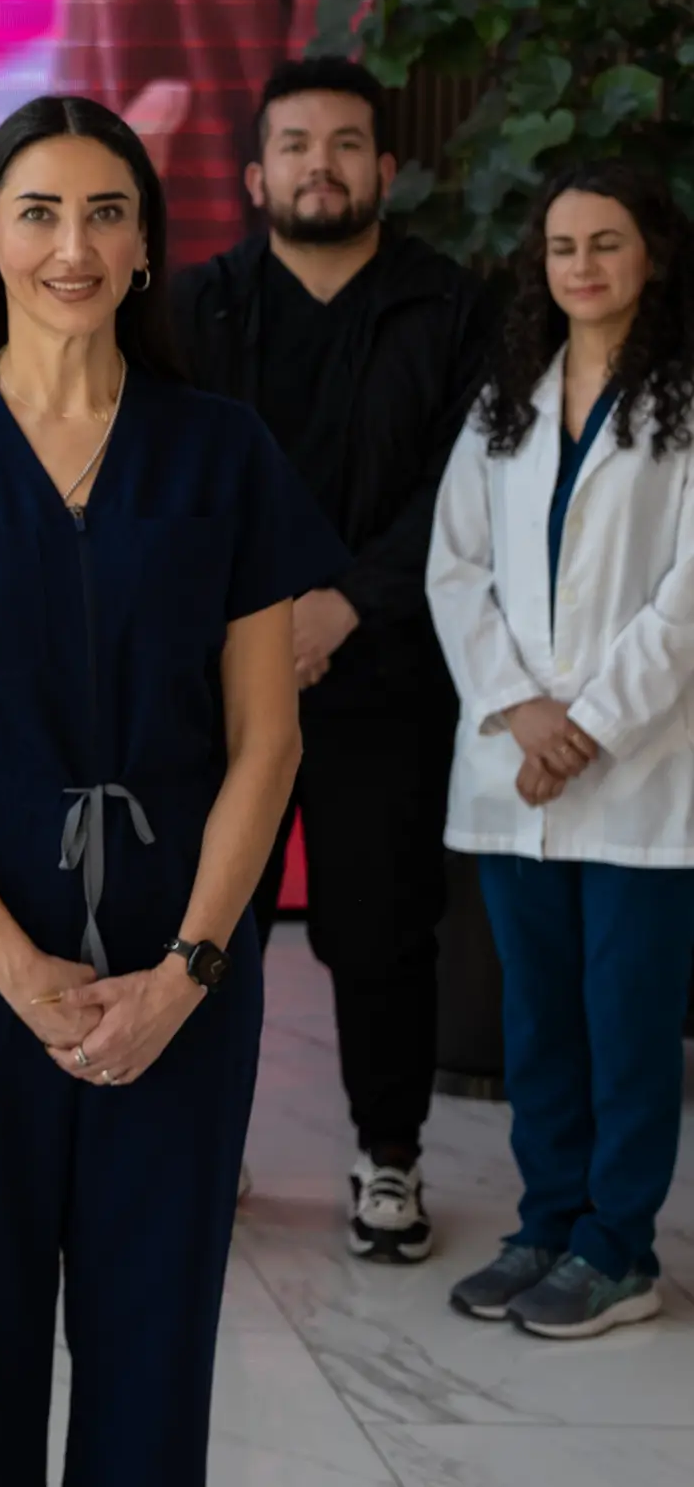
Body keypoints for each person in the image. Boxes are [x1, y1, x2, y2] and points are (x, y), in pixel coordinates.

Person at [0, 96, 342, 1483]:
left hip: (183, 965)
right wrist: (20, 971)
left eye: (106, 213)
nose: (71, 245)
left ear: (148, 248)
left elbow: (267, 742)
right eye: (37, 212)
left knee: (156, 1351)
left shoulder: (224, 450)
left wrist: (188, 972)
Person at [173, 57, 496, 1264]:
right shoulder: (196, 308)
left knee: (381, 927)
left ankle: (389, 1158)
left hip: (386, 671)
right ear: (256, 175)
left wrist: (345, 606)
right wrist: (262, 624)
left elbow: (466, 487)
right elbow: (179, 486)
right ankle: (207, 1147)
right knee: (214, 920)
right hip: (218, 680)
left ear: (384, 170)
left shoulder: (451, 307)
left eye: (346, 144)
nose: (322, 164)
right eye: (297, 144)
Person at [429, 161, 694, 1341]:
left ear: (654, 257)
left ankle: (618, 1250)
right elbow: (454, 568)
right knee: (537, 1017)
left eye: (607, 243)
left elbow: (688, 597)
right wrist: (520, 712)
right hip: (514, 766)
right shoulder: (509, 401)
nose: (581, 266)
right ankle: (547, 1225)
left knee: (625, 1022)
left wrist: (586, 724)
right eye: (560, 247)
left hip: (641, 769)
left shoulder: (685, 401)